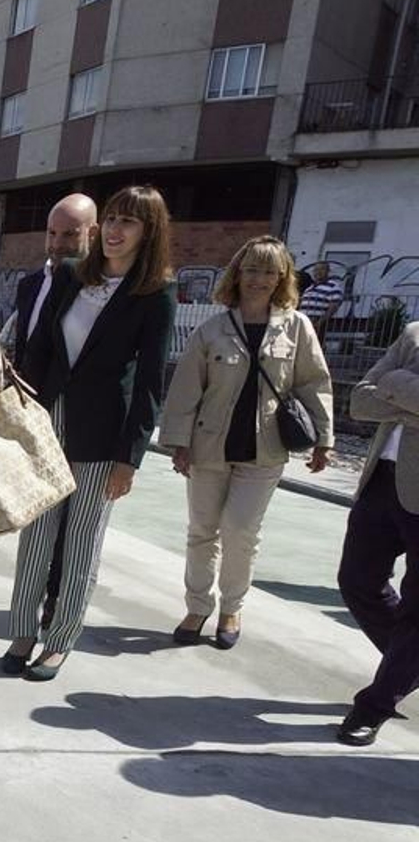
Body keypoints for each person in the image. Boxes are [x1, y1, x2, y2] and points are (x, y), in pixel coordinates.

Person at [3, 185, 176, 681]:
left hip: (105, 431)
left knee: (81, 539)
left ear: (150, 233)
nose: (117, 231)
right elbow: (40, 351)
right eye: (114, 219)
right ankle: (22, 632)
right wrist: (22, 416)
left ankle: (58, 640)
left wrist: (132, 457)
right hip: (50, 416)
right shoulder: (75, 277)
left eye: (131, 222)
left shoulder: (156, 292)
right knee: (37, 532)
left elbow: (150, 381)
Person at [160, 236, 334, 648]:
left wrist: (324, 439)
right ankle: (198, 606)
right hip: (208, 447)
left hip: (266, 449)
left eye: (270, 272)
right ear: (237, 274)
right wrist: (178, 443)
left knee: (240, 530)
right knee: (202, 530)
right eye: (252, 269)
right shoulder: (212, 329)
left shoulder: (296, 327)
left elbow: (314, 383)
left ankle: (231, 608)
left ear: (283, 278)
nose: (259, 279)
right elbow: (186, 390)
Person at [0, 193, 98, 607]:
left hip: (69, 418)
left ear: (92, 233)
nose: (58, 244)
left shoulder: (94, 291)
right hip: (21, 408)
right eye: (52, 233)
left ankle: (54, 601)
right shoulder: (32, 284)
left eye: (70, 234)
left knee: (56, 519)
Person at [334, 319, 419, 745]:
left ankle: (376, 703)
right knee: (356, 581)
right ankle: (408, 668)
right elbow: (359, 402)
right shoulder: (414, 333)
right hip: (382, 482)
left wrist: (396, 382)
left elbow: (381, 390)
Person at [297, 262, 346, 340]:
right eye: (316, 270)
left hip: (317, 320)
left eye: (322, 269)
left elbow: (334, 306)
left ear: (328, 271)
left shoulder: (333, 286)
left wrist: (320, 322)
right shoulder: (309, 288)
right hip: (304, 321)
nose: (318, 272)